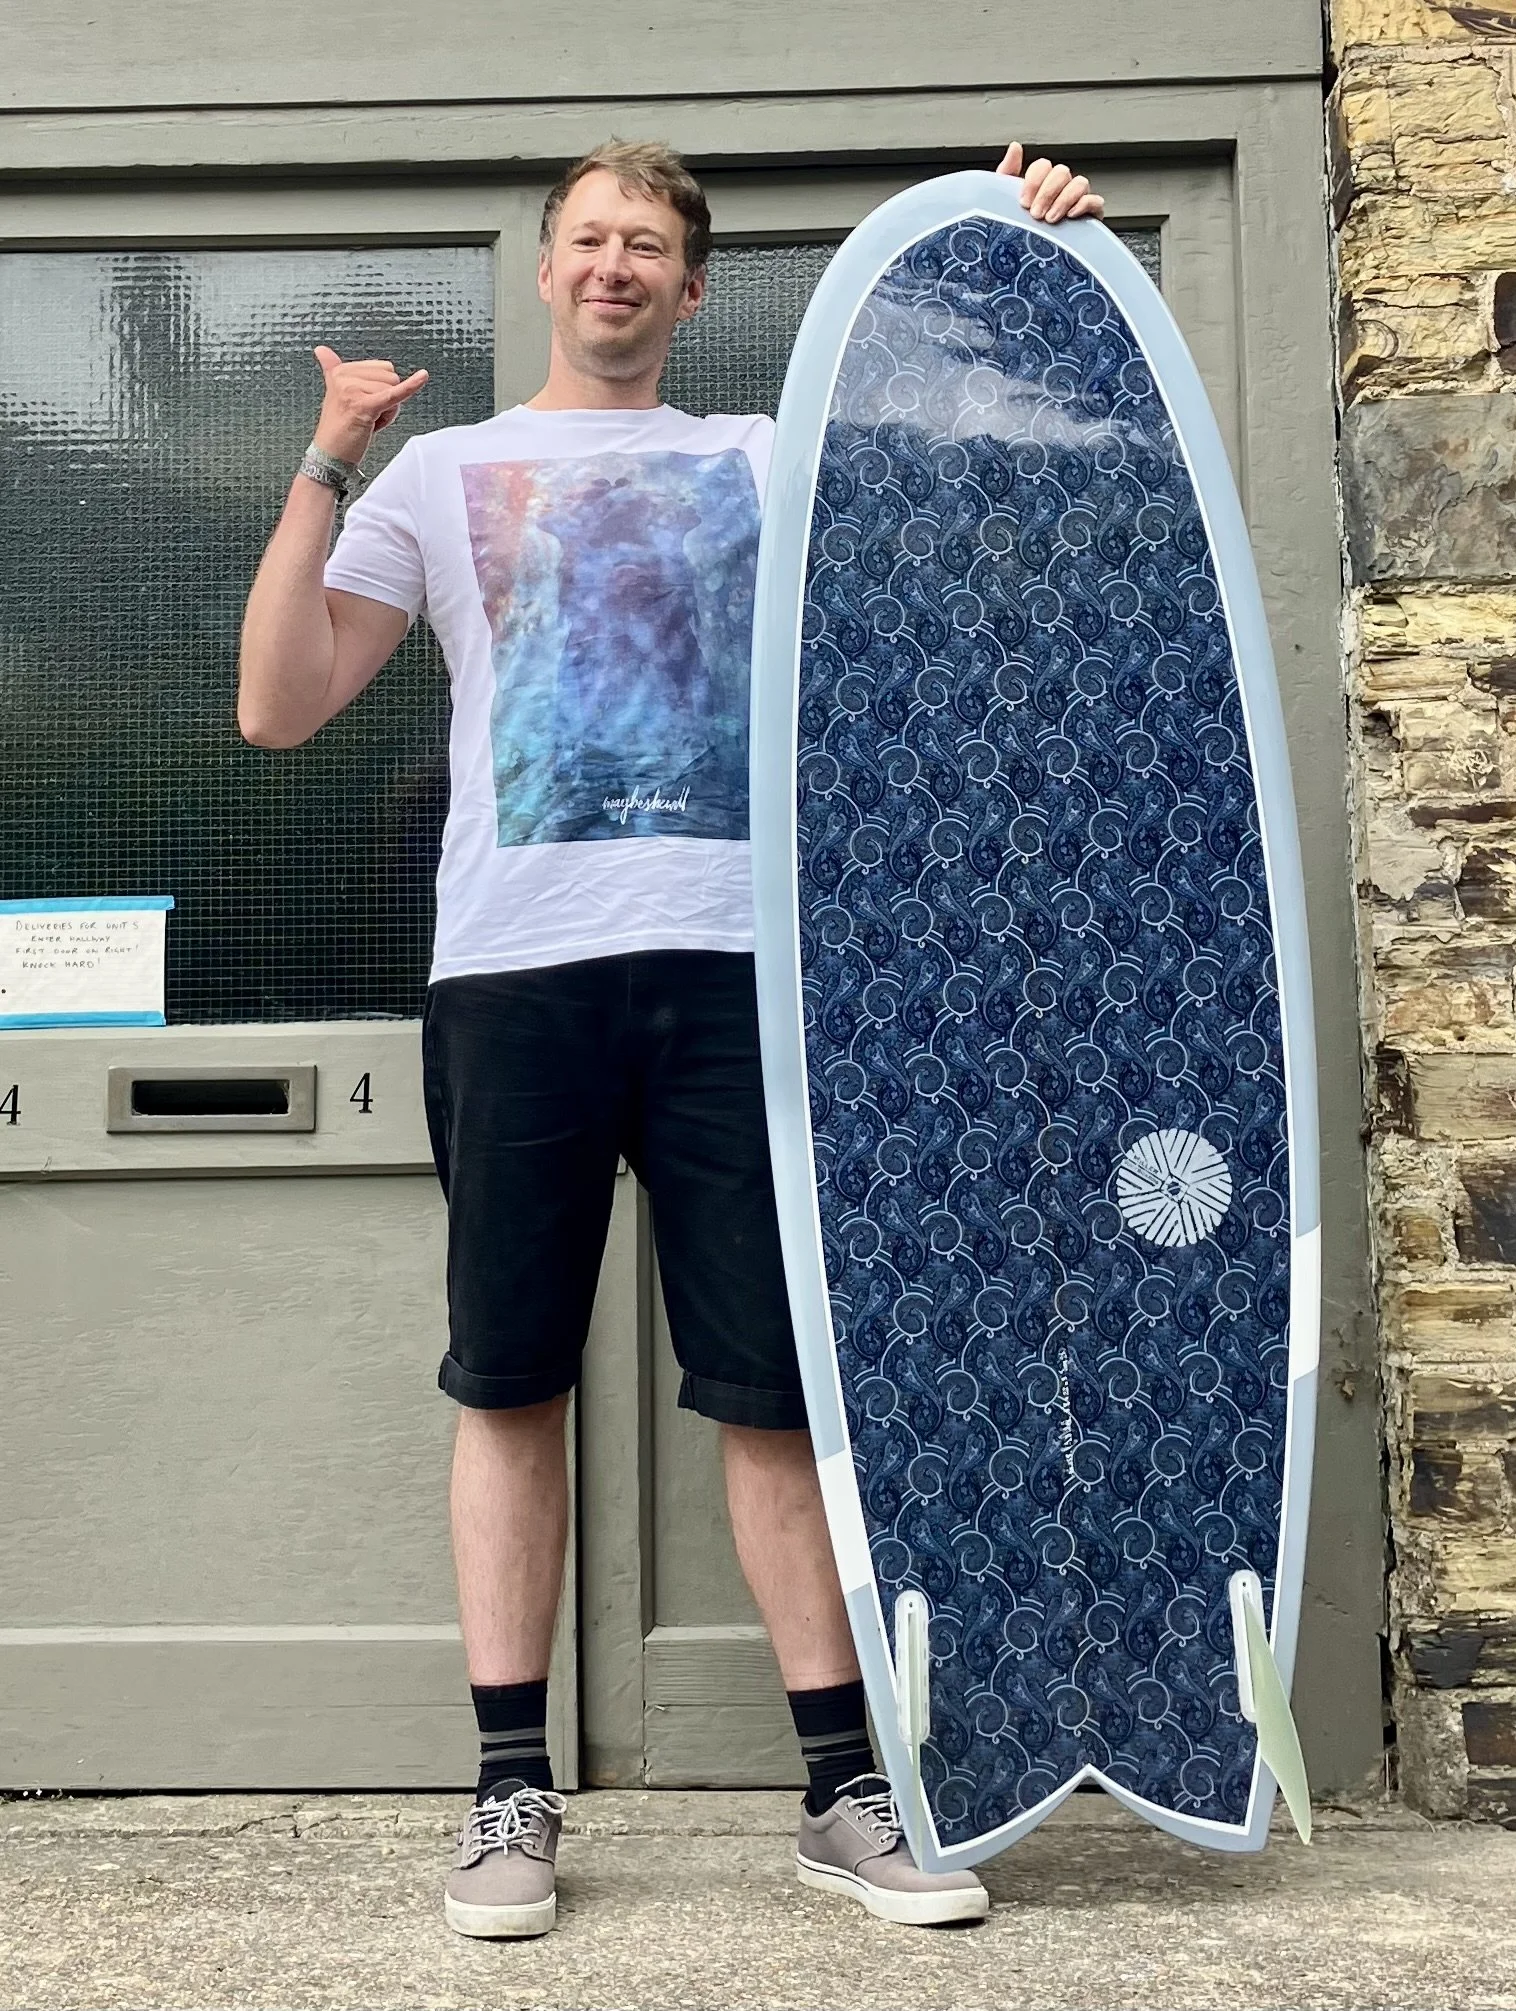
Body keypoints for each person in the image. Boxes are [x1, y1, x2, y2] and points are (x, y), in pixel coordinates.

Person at [237, 138, 1105, 1938]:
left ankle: (844, 1789)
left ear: (692, 291)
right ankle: (505, 1796)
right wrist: (332, 460)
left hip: (740, 979)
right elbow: (278, 704)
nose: (616, 263)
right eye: (589, 239)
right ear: (546, 274)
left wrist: (1024, 263)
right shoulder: (451, 473)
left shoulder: (768, 464)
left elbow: (1005, 503)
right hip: (516, 982)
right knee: (509, 1380)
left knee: (776, 1391)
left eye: (649, 244)